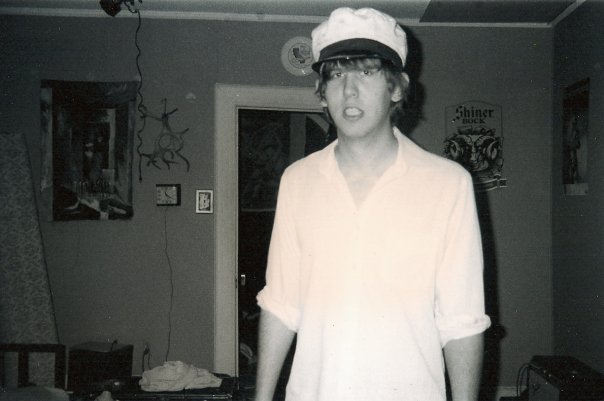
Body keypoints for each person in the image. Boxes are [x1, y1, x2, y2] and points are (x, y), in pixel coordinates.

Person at [255, 7, 491, 401]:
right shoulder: (297, 181)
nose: (349, 90)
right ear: (322, 92)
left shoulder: (449, 185)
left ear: (396, 88)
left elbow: (461, 323)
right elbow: (281, 305)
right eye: (335, 75)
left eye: (366, 72)